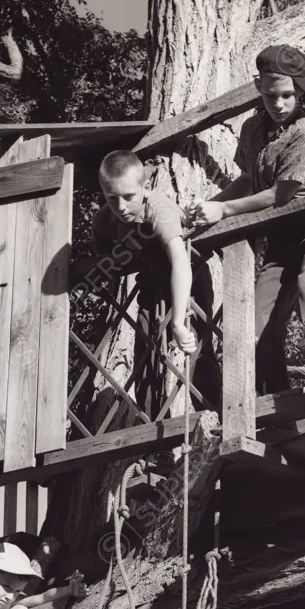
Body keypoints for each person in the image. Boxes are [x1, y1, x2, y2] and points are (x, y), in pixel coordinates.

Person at [186, 44, 305, 398]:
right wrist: (209, 208)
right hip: (279, 237)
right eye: (272, 96)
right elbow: (247, 180)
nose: (279, 104)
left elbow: (281, 194)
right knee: (257, 315)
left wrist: (226, 211)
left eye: (288, 96)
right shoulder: (251, 130)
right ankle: (271, 396)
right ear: (259, 87)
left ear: (299, 93)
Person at [70, 150, 221, 420]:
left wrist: (176, 320)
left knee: (195, 349)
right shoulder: (104, 221)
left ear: (146, 187)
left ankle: (214, 418)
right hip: (151, 278)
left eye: (129, 197)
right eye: (111, 198)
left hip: (189, 279)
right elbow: (108, 262)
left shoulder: (159, 210)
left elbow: (179, 261)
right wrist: (85, 281)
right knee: (146, 352)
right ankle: (152, 431)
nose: (121, 207)